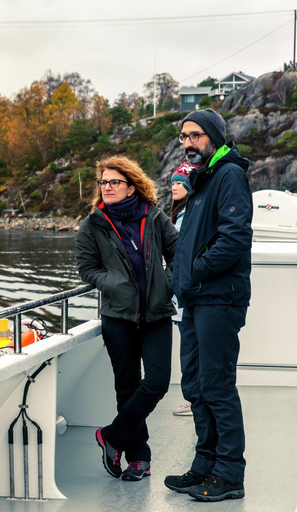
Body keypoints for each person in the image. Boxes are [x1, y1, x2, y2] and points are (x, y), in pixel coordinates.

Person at [165, 108, 252, 502]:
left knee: (217, 386)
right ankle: (205, 464)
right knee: (195, 385)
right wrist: (182, 280)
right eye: (184, 137)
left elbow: (234, 238)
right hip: (196, 298)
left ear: (214, 137)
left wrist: (196, 271)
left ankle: (230, 473)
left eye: (196, 135)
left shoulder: (229, 174)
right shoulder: (202, 180)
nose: (188, 143)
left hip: (218, 297)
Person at [75, 156, 177, 482]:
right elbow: (87, 269)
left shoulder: (155, 216)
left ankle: (112, 437)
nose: (107, 187)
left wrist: (168, 285)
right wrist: (115, 285)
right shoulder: (94, 224)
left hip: (156, 313)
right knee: (128, 386)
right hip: (118, 316)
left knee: (158, 381)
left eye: (114, 182)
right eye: (103, 183)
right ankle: (139, 458)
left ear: (131, 186)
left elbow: (178, 255)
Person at [169, 161, 196, 418]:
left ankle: (193, 400)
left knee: (190, 349)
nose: (175, 186)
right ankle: (194, 397)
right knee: (187, 346)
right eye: (173, 183)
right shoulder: (178, 213)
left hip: (186, 294)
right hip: (178, 295)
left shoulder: (190, 215)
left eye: (180, 182)